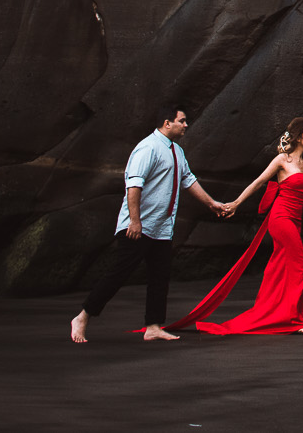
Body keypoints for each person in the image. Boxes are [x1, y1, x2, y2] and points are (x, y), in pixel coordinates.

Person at [70, 106, 234, 343]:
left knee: (160, 277)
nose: (186, 125)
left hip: (161, 229)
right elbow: (133, 186)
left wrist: (212, 204)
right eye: (182, 121)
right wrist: (135, 222)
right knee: (118, 274)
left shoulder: (176, 151)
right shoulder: (148, 148)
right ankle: (83, 316)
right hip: (137, 227)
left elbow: (188, 180)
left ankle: (153, 326)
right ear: (167, 123)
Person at [169, 116, 303, 335]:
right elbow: (258, 182)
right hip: (281, 217)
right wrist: (237, 203)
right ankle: (294, 318)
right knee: (301, 264)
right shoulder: (282, 161)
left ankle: (278, 315)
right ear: (298, 136)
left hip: (296, 221)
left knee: (280, 269)